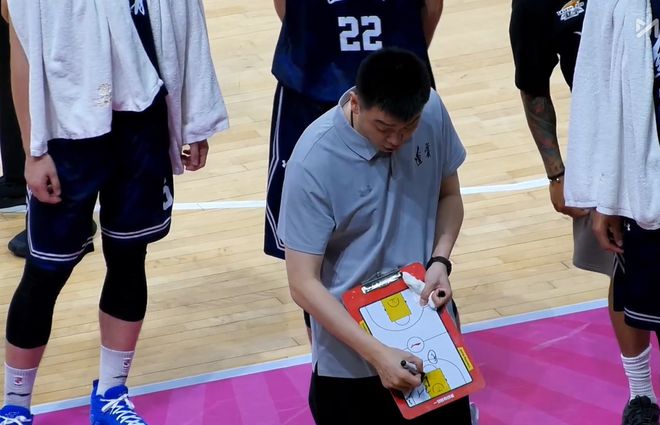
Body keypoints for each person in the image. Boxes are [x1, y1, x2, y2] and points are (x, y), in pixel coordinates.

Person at [1, 0, 228, 423]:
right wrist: (33, 151)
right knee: (46, 272)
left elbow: (187, 30)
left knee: (129, 257)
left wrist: (194, 121)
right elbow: (22, 53)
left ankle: (111, 394)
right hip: (67, 134)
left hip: (142, 128)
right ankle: (15, 406)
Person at [278, 47, 472, 425]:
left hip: (433, 341)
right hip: (351, 363)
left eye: (408, 127)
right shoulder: (313, 161)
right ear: (356, 103)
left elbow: (449, 196)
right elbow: (302, 283)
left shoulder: (431, 110)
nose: (397, 139)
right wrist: (378, 353)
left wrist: (440, 260)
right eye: (383, 127)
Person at [510, 1, 660, 423]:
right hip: (615, 155)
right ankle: (641, 394)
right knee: (624, 271)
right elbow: (533, 85)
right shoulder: (536, 6)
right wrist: (558, 173)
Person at [265, 0, 443, 344]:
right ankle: (329, 358)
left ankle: (416, 343)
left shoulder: (422, 112)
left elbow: (430, 7)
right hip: (313, 85)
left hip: (394, 91)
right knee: (310, 248)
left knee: (410, 224)